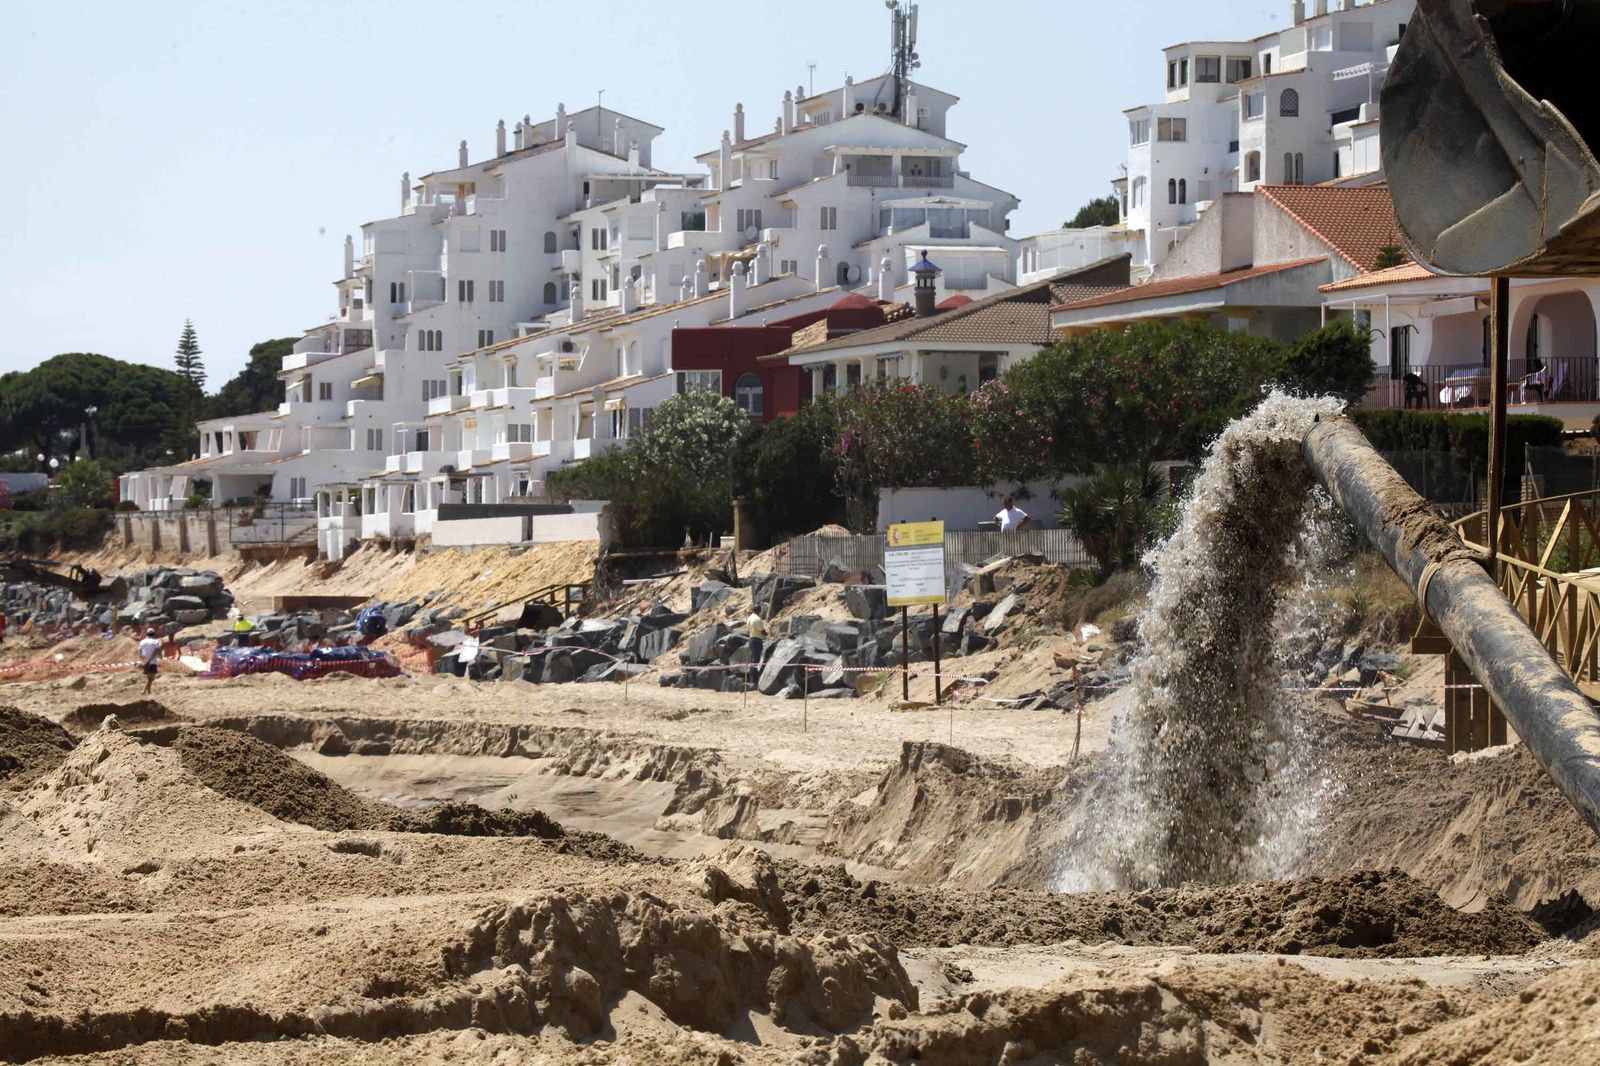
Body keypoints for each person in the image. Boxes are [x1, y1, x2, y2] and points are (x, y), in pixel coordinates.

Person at [138, 628, 162, 695]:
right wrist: (149, 659)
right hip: (152, 662)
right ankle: (144, 691)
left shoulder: (142, 642)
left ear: (147, 634)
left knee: (149, 678)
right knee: (151, 678)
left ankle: (149, 691)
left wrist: (145, 660)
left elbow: (139, 653)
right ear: (154, 634)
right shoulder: (156, 641)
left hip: (145, 662)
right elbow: (156, 651)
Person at [745, 611, 768, 681]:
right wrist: (767, 634)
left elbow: (747, 631)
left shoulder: (749, 619)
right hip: (757, 640)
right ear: (759, 611)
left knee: (753, 659)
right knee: (755, 659)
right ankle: (753, 679)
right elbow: (762, 631)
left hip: (751, 639)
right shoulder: (757, 619)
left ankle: (752, 677)